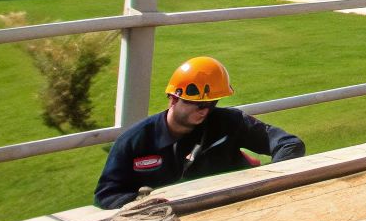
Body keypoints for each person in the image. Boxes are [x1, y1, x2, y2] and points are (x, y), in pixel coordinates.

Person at [94, 56, 305, 208]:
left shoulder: (229, 123)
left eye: (211, 103)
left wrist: (266, 182)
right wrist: (144, 203)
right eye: (197, 104)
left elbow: (289, 144)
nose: (205, 110)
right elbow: (106, 195)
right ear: (173, 99)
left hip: (236, 209)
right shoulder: (135, 142)